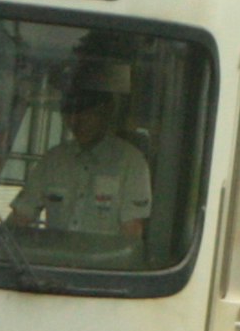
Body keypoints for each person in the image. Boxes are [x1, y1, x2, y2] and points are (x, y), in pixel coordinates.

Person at [12, 66, 154, 242]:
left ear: (105, 111)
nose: (75, 122)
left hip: (103, 267)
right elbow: (19, 219)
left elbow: (132, 234)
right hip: (52, 262)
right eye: (69, 115)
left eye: (85, 114)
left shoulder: (131, 163)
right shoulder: (53, 160)